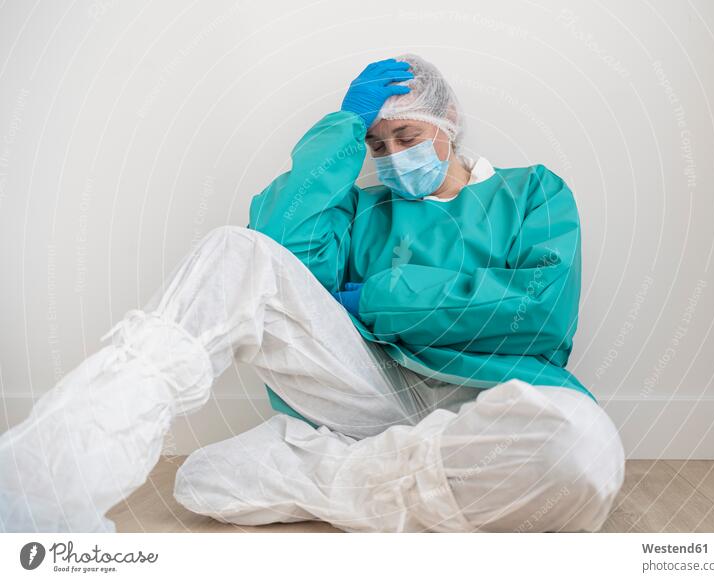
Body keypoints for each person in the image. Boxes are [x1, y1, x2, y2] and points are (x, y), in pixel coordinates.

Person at [0, 54, 625, 533]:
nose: (392, 157)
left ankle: (338, 470)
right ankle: (40, 492)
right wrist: (342, 131)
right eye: (376, 146)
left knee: (583, 447)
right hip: (372, 386)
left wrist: (378, 297)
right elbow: (269, 250)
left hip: (490, 399)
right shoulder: (360, 209)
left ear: (449, 124)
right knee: (234, 248)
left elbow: (536, 311)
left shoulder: (532, 192)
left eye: (407, 137)